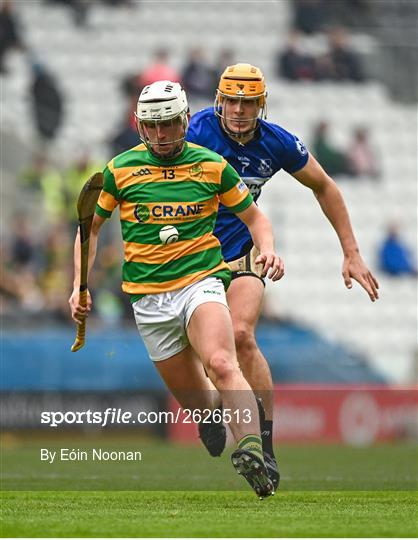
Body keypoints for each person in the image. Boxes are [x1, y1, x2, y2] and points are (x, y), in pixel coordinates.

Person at [69, 80, 285, 498]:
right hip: (149, 300)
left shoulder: (212, 166)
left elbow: (256, 219)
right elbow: (89, 231)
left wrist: (269, 250)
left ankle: (253, 451)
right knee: (200, 405)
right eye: (152, 126)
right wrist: (78, 286)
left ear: (185, 120)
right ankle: (209, 419)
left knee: (224, 362)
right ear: (139, 126)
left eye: (169, 124)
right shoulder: (119, 170)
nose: (161, 135)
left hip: (200, 282)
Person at [186, 63, 380, 490]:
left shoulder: (276, 142)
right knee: (207, 355)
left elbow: (325, 186)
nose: (238, 110)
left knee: (240, 336)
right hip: (191, 257)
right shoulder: (194, 131)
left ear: (261, 104)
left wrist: (351, 252)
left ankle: (266, 451)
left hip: (244, 251)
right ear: (220, 101)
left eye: (248, 102)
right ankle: (209, 407)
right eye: (232, 100)